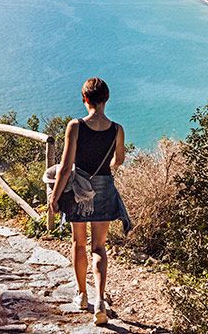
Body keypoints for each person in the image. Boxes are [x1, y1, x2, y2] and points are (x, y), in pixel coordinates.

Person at [47, 77, 131, 326]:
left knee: (78, 242)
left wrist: (54, 197)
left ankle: (82, 295)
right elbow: (119, 160)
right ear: (107, 99)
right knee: (99, 248)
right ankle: (100, 301)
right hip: (104, 189)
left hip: (79, 191)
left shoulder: (75, 126)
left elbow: (64, 167)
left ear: (84, 99)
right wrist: (107, 168)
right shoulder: (117, 129)